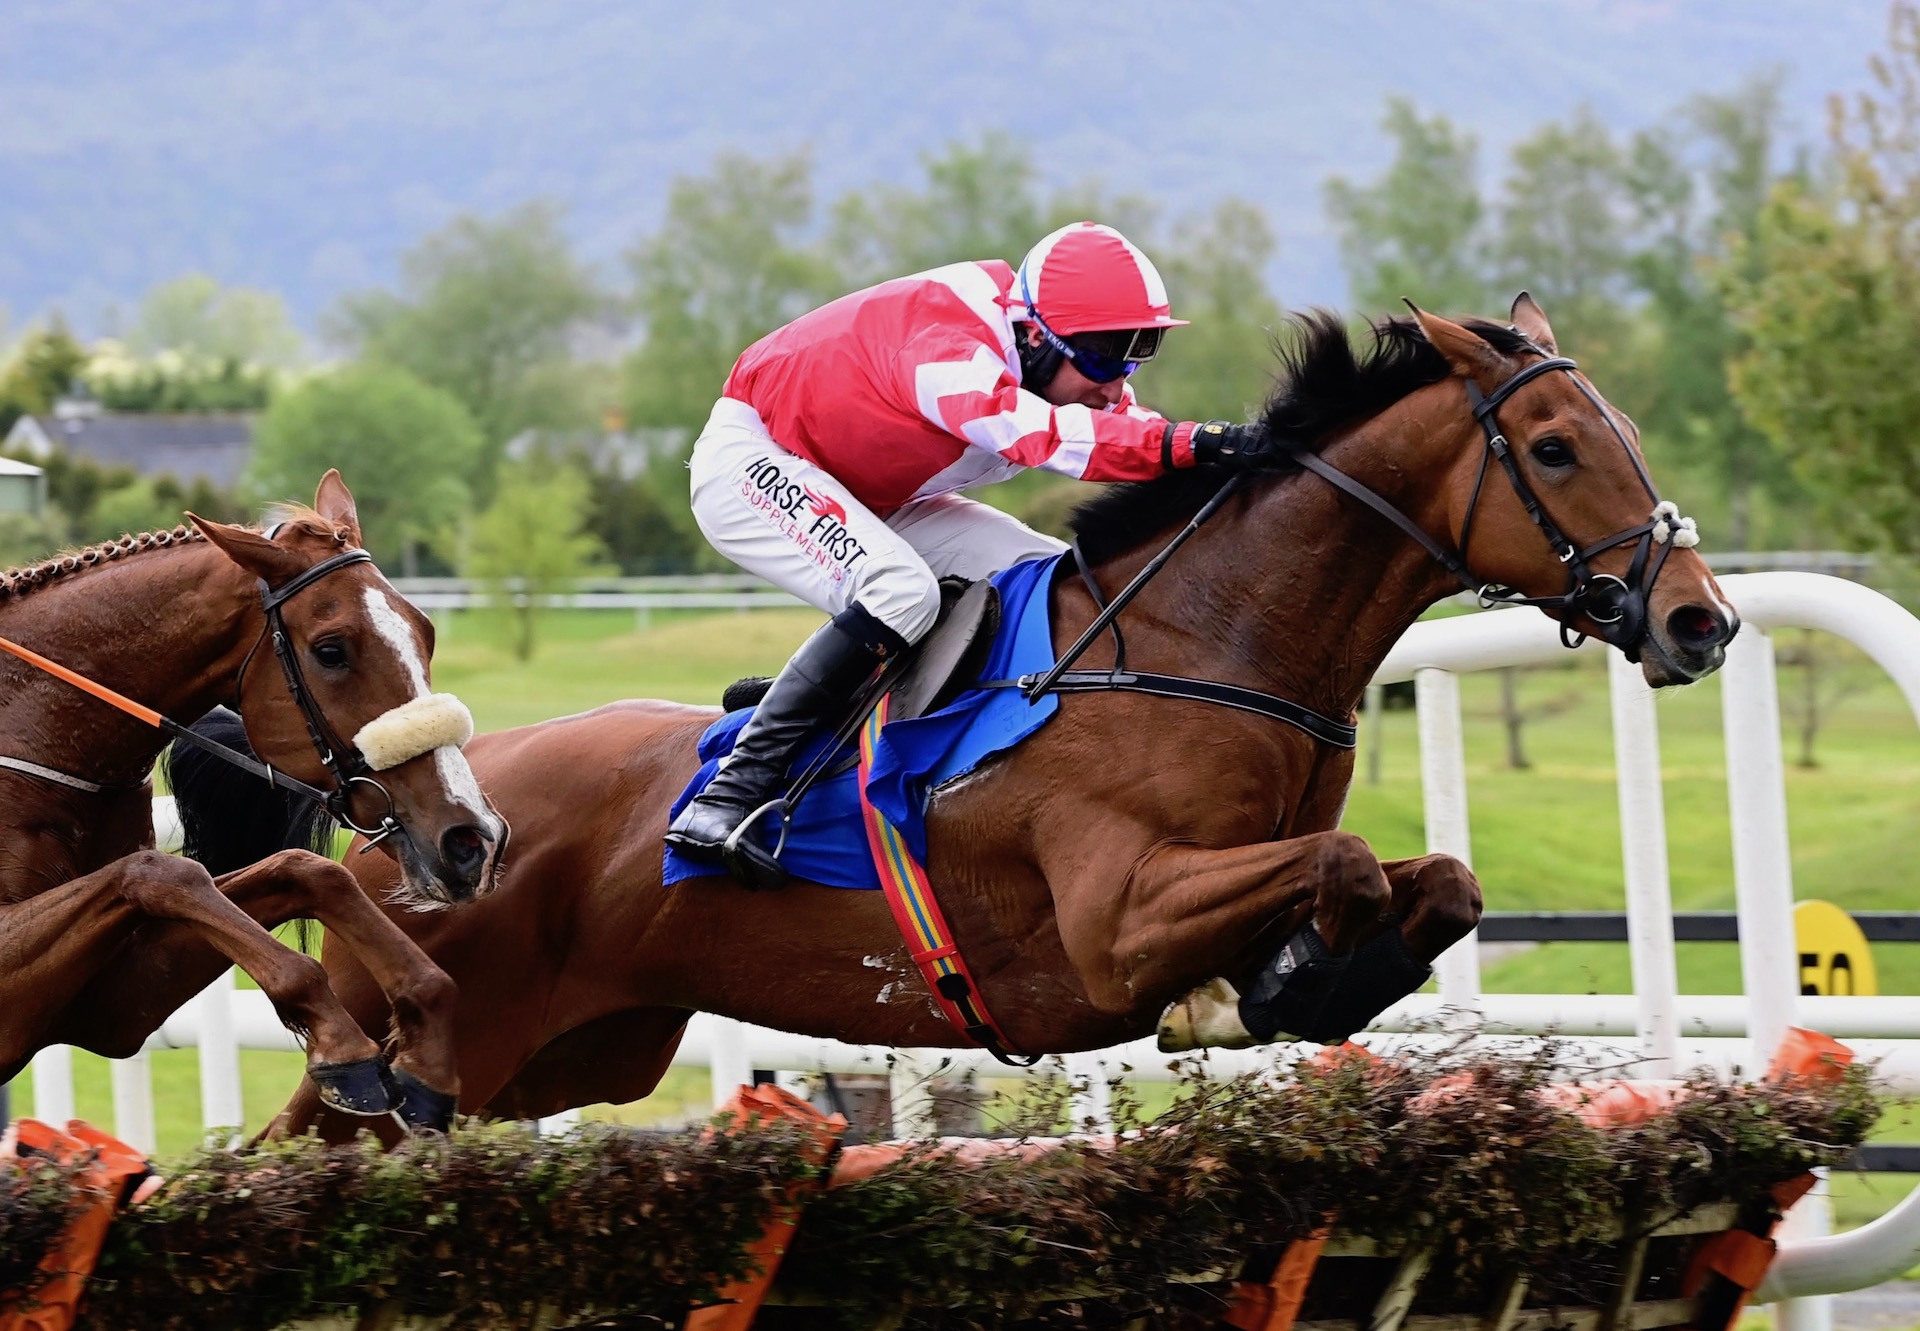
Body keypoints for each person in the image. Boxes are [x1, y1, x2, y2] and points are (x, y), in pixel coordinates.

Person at [664, 219, 1278, 867]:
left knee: (1047, 576)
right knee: (901, 591)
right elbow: (1036, 434)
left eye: (1135, 352)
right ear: (1035, 335)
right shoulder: (947, 343)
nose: (1115, 380)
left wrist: (1233, 461)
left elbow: (1132, 430)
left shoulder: (1039, 340)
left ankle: (838, 693)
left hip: (865, 485)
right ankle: (732, 790)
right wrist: (1192, 442)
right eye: (1102, 352)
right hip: (756, 458)